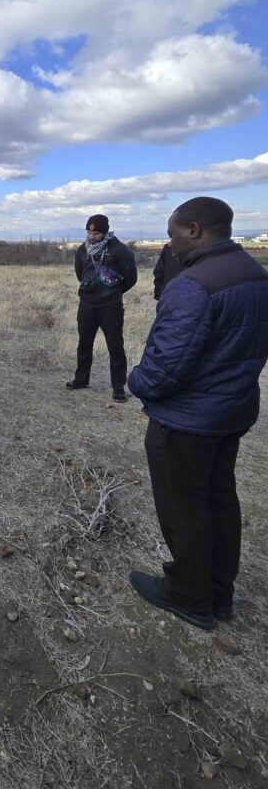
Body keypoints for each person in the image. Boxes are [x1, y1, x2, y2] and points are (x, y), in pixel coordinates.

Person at [127, 197, 268, 630]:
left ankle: (189, 596)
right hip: (231, 411)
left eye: (171, 234)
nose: (169, 245)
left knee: (185, 508)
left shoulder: (193, 285)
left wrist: (137, 381)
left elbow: (166, 365)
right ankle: (219, 594)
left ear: (193, 229)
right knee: (219, 500)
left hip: (186, 422)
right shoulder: (255, 274)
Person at [66, 214, 137, 402]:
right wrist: (92, 290)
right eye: (89, 232)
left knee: (115, 346)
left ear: (105, 232)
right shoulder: (82, 250)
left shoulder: (119, 250)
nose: (91, 236)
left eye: (96, 233)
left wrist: (112, 292)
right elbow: (80, 274)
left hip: (110, 307)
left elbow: (131, 277)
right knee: (84, 344)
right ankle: (81, 379)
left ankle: (118, 388)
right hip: (87, 304)